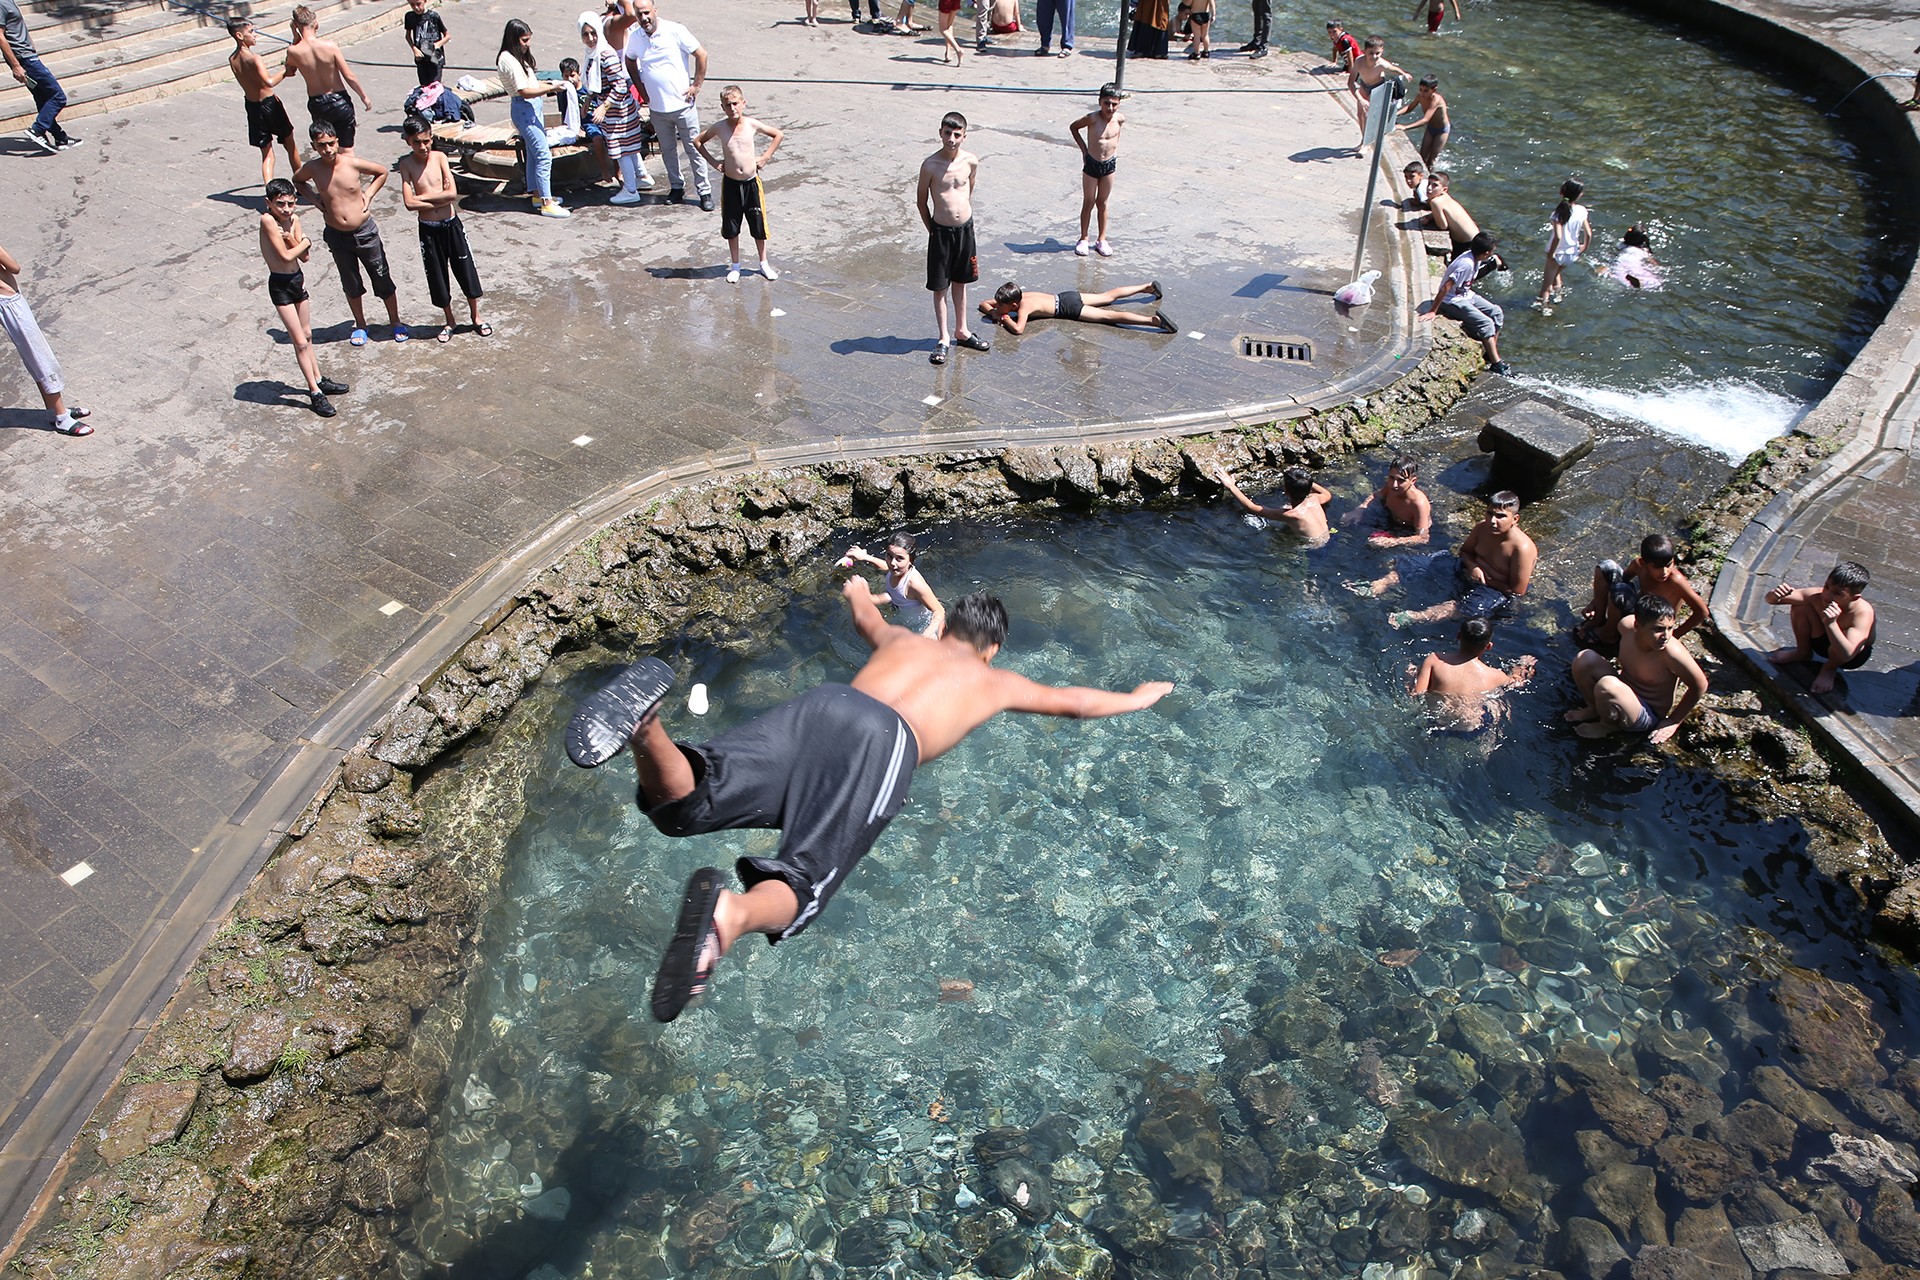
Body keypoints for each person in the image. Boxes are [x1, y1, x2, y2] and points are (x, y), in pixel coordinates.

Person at [565, 584, 1174, 1022]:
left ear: (953, 626)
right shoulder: (996, 679)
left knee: (687, 803)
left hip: (824, 707)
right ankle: (728, 917)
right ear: (992, 647)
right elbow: (1072, 700)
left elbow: (862, 614)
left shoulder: (904, 641)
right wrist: (1137, 698)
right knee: (804, 885)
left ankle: (645, 728)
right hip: (883, 742)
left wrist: (862, 589)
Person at [293, 120, 409, 343]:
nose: (327, 149)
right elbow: (298, 181)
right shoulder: (313, 169)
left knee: (382, 277)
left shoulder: (352, 164)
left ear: (337, 141)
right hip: (337, 236)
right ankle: (361, 324)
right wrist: (315, 200)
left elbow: (382, 172)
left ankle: (395, 321)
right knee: (351, 283)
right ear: (314, 146)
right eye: (321, 145)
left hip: (365, 233)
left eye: (331, 143)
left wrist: (369, 194)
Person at [1359, 490, 1535, 628]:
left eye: (1500, 516)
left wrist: (1485, 579)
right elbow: (1465, 552)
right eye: (1489, 514)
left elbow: (1517, 590)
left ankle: (1416, 616)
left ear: (1515, 519)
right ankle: (1379, 584)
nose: (1492, 521)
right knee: (1423, 562)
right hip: (1468, 569)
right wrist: (1473, 567)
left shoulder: (1522, 548)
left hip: (1494, 589)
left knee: (1467, 607)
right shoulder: (1482, 528)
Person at [257, 179, 350, 417]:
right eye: (280, 204)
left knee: (308, 335)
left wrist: (290, 237)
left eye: (290, 203)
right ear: (269, 203)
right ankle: (314, 392)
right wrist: (305, 240)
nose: (286, 209)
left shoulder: (293, 220)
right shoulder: (267, 220)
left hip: (297, 281)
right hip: (280, 286)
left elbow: (304, 258)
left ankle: (319, 378)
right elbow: (287, 256)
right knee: (298, 341)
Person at [609, 0, 712, 211]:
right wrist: (642, 90)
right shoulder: (636, 37)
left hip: (683, 105)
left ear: (655, 10)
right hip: (658, 109)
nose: (644, 18)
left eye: (647, 12)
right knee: (667, 150)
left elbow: (701, 54)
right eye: (639, 14)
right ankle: (676, 186)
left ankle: (704, 191)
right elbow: (629, 61)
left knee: (694, 149)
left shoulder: (675, 30)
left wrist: (696, 85)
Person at [1567, 595, 1708, 744]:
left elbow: (1700, 685)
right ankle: (1594, 708)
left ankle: (1607, 726)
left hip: (1647, 712)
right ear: (1637, 626)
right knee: (1584, 658)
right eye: (1658, 629)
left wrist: (1674, 721)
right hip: (1624, 689)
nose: (1666, 636)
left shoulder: (1672, 653)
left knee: (1607, 685)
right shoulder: (1625, 627)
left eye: (1670, 628)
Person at [397, 116, 489, 342]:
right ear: (408, 141)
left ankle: (476, 316)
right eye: (417, 142)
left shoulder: (440, 157)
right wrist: (438, 199)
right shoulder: (406, 165)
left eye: (427, 141)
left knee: (465, 269)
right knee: (437, 275)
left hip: (451, 224)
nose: (423, 147)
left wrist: (424, 197)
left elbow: (451, 195)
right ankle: (449, 320)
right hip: (428, 229)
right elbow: (409, 204)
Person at [917, 111, 989, 366]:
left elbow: (970, 186)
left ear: (964, 137)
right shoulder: (930, 165)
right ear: (940, 133)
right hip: (941, 233)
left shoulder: (971, 161)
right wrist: (933, 230)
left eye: (957, 134)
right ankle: (944, 337)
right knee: (940, 286)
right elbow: (921, 202)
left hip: (965, 231)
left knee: (962, 281)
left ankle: (962, 330)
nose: (951, 139)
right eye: (947, 133)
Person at [695, 86, 784, 283]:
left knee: (758, 224)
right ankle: (735, 265)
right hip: (731, 184)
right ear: (723, 107)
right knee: (731, 225)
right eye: (728, 105)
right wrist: (714, 162)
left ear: (743, 103)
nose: (732, 108)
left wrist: (766, 157)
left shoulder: (751, 124)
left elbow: (777, 134)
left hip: (751, 183)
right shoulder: (720, 127)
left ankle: (763, 263)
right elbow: (698, 141)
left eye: (735, 103)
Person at [0, 242, 90, 435]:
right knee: (41, 358)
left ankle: (54, 411)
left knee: (34, 359)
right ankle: (61, 418)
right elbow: (15, 268)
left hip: (8, 302)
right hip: (11, 305)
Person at [496, 20, 570, 219]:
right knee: (543, 155)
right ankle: (547, 203)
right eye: (524, 40)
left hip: (531, 108)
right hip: (524, 109)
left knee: (533, 152)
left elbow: (531, 82)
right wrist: (551, 88)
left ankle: (538, 195)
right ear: (514, 39)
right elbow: (525, 91)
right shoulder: (508, 60)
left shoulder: (519, 57)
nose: (527, 44)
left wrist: (547, 84)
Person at [1765, 562, 1877, 694]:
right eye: (1826, 587)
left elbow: (1847, 654)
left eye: (1837, 593)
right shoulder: (1818, 595)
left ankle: (1829, 668)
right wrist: (1775, 594)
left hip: (1849, 656)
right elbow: (1772, 600)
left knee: (1852, 640)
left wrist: (1831, 624)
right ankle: (1802, 652)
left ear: (1854, 598)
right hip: (1822, 640)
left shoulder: (1862, 614)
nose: (1827, 595)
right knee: (1800, 605)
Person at [1575, 534, 1704, 647]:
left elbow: (1702, 611)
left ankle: (1610, 634)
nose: (1664, 572)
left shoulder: (1676, 581)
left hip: (1652, 621)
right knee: (1607, 567)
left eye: (1668, 564)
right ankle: (1599, 619)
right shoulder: (1638, 565)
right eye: (1657, 567)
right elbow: (1621, 579)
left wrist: (1674, 635)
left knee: (1621, 590)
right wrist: (1595, 602)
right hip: (1639, 607)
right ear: (1643, 562)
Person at [1409, 618, 1535, 731]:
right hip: (1471, 728)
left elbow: (1416, 693)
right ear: (1489, 646)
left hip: (1434, 723)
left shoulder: (1434, 660)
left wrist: (1413, 675)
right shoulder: (1497, 676)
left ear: (1458, 636)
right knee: (1496, 705)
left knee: (1412, 670)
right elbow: (1518, 683)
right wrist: (1523, 666)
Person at [581, 10, 652, 205]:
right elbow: (594, 83)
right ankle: (642, 177)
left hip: (618, 110)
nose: (590, 38)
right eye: (585, 34)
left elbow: (620, 85)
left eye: (593, 33)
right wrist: (589, 101)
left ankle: (630, 189)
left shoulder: (605, 55)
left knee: (621, 149)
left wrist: (604, 106)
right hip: (615, 109)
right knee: (629, 147)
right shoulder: (592, 54)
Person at [285, 5, 370, 152]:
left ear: (296, 25)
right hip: (339, 100)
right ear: (316, 24)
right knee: (347, 149)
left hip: (318, 103)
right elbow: (348, 75)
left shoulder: (293, 51)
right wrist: (364, 97)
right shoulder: (329, 46)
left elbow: (290, 71)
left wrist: (295, 35)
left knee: (326, 148)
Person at [227, 18, 299, 187]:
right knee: (290, 144)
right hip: (269, 105)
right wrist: (285, 72)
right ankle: (300, 183)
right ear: (239, 35)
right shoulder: (255, 58)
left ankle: (270, 190)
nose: (255, 34)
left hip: (252, 106)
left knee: (267, 153)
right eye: (251, 32)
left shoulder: (232, 59)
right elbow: (269, 82)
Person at [1427, 231, 1510, 375]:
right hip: (1451, 300)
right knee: (1486, 323)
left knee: (1496, 312)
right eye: (1491, 252)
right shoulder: (1465, 264)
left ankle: (1491, 353)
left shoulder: (1475, 259)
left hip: (1465, 294)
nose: (1492, 255)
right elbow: (1446, 286)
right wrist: (1433, 310)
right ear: (1485, 253)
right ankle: (1496, 363)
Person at [1, 0, 76, 151]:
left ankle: (60, 138)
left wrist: (31, 46)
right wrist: (16, 65)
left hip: (27, 55)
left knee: (43, 98)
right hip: (25, 60)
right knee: (58, 97)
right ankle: (37, 129)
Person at [979, 281, 1176, 334]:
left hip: (1068, 309)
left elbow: (1019, 329)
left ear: (1013, 305)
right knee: (1106, 296)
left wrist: (1003, 318)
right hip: (1066, 295)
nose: (998, 307)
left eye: (1002, 306)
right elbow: (983, 304)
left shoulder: (1023, 307)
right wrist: (993, 310)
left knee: (1108, 316)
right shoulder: (1020, 295)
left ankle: (1154, 321)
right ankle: (1147, 287)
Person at [843, 533, 945, 635]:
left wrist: (928, 633)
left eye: (899, 558)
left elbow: (939, 610)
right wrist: (865, 557)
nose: (892, 563)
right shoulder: (895, 570)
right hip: (899, 608)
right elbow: (886, 566)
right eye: (889, 556)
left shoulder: (914, 584)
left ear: (911, 560)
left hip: (920, 626)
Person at [1213, 465, 1333, 546]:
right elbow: (1327, 494)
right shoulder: (1315, 499)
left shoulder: (1291, 514)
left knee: (1274, 542)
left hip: (1313, 547)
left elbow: (1251, 508)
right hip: (1329, 539)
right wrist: (1304, 481)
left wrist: (1231, 486)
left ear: (1286, 490)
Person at [1070, 85, 1125, 257]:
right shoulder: (1092, 119)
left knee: (1102, 203)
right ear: (1099, 102)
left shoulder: (1120, 119)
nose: (1110, 108)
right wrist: (1084, 150)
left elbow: (1116, 136)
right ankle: (1084, 238)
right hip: (1092, 163)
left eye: (1114, 104)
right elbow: (1074, 127)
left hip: (1109, 165)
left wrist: (1114, 152)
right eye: (1106, 103)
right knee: (1089, 201)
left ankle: (1102, 239)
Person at [1344, 456, 1432, 546]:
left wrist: (1393, 542)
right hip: (1389, 517)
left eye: (1401, 480)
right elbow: (1376, 496)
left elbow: (1423, 538)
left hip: (1407, 530)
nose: (1394, 484)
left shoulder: (1418, 504)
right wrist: (1359, 510)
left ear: (1413, 481)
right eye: (1391, 477)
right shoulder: (1391, 486)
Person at [1535, 178, 1590, 314]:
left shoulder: (1558, 213)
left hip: (1557, 253)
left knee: (1545, 287)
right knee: (1556, 273)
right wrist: (1584, 247)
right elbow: (1588, 233)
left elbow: (1558, 236)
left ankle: (1544, 310)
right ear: (1579, 195)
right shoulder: (1582, 210)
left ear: (1561, 192)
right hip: (1572, 253)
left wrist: (1551, 253)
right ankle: (1558, 297)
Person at [1347, 36, 1406, 149]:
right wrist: (1360, 99)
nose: (1374, 57)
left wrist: (1404, 73)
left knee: (1369, 116)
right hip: (1364, 86)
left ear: (1382, 51)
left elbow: (1393, 68)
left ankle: (1366, 143)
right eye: (1371, 53)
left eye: (1377, 53)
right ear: (1364, 51)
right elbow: (1350, 82)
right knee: (1360, 115)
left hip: (1377, 88)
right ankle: (1364, 139)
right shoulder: (1359, 61)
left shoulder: (1381, 64)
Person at [1398, 73, 1449, 168]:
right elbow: (1410, 107)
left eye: (1426, 91)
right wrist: (1396, 114)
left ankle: (1431, 178)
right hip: (1431, 128)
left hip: (1441, 131)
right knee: (1422, 157)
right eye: (1420, 90)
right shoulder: (1420, 96)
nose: (1422, 93)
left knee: (1431, 161)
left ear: (1434, 90)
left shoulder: (1436, 100)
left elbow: (1425, 120)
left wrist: (1405, 127)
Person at [403, 0, 450, 87]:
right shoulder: (410, 16)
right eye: (412, 5)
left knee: (434, 87)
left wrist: (437, 45)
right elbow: (408, 36)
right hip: (421, 58)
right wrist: (414, 49)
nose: (416, 8)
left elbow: (447, 36)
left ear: (425, 1)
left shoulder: (433, 16)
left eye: (418, 4)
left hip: (435, 57)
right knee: (424, 86)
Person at [1606, 224, 1663, 290]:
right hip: (1633, 263)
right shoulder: (1643, 251)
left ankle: (1615, 276)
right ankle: (1639, 283)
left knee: (1618, 273)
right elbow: (1653, 263)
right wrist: (1658, 268)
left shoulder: (1620, 245)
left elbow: (1612, 254)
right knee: (1656, 281)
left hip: (1621, 260)